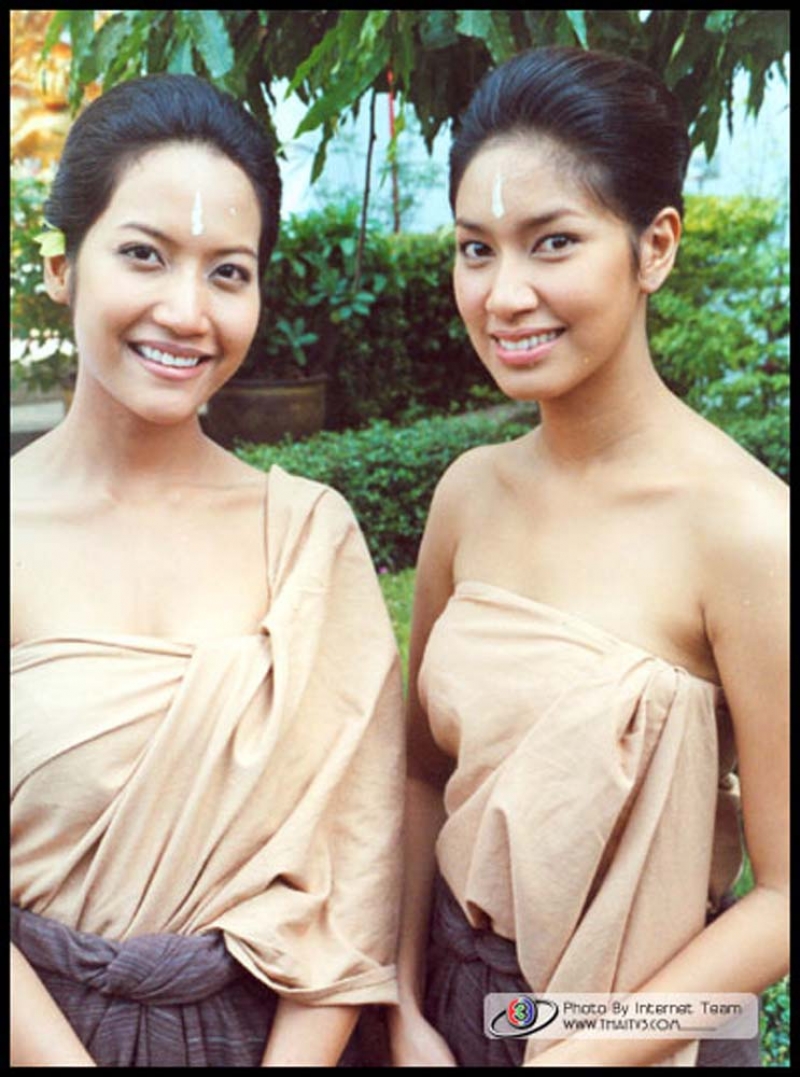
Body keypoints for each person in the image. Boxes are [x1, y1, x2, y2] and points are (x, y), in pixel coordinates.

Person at [388, 46, 788, 1067]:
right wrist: (401, 1004)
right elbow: (420, 772)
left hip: (640, 1026)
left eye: (552, 243)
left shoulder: (746, 531)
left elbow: (784, 899)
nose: (503, 294)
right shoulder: (469, 494)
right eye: (475, 250)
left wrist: (573, 1054)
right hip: (449, 1006)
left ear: (654, 247)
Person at [10, 73, 405, 1068]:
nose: (186, 312)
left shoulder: (307, 538)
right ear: (61, 265)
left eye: (228, 272)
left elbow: (357, 868)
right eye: (144, 254)